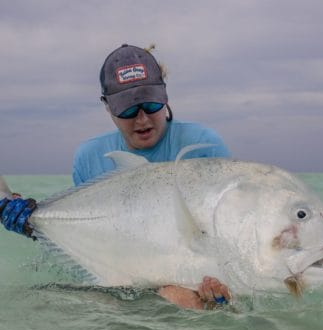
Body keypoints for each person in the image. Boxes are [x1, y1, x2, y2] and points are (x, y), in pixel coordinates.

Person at [0, 44, 231, 310]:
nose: (142, 119)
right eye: (126, 108)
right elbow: (90, 238)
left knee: (187, 301)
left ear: (165, 95)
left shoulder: (204, 145)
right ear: (107, 107)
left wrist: (222, 290)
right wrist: (31, 223)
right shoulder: (90, 156)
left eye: (151, 102)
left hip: (185, 283)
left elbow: (222, 232)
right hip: (123, 281)